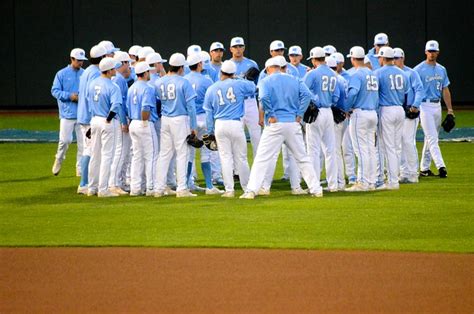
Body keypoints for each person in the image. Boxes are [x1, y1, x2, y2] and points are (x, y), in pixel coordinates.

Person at [240, 57, 322, 199]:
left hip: (275, 124)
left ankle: (251, 190)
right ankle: (316, 189)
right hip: (292, 123)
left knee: (262, 158)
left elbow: (264, 97)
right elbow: (307, 95)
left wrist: (271, 113)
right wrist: (299, 114)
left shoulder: (266, 81)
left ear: (267, 69)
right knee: (302, 158)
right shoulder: (294, 79)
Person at [203, 60, 255, 197]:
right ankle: (247, 188)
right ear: (233, 73)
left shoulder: (212, 88)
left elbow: (208, 113)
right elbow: (252, 86)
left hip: (220, 124)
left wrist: (210, 131)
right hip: (236, 123)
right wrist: (240, 78)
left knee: (225, 158)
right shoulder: (239, 83)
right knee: (241, 158)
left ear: (221, 72)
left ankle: (229, 190)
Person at [154, 53, 198, 198]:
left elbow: (158, 100)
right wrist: (193, 126)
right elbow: (191, 106)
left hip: (165, 118)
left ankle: (159, 188)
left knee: (164, 154)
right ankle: (182, 188)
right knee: (182, 153)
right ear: (180, 67)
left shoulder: (160, 82)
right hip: (180, 118)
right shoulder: (184, 82)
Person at [184, 53, 223, 195]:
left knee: (189, 154)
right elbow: (212, 103)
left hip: (189, 119)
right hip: (204, 118)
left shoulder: (184, 80)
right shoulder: (206, 81)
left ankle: (187, 184)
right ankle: (209, 186)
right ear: (199, 64)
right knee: (206, 153)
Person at [414, 40, 453, 178]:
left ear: (438, 52)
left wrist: (450, 110)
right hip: (424, 105)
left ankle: (424, 168)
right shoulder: (418, 70)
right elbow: (413, 89)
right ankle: (441, 166)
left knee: (429, 138)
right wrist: (414, 106)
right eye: (429, 51)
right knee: (432, 138)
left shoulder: (441, 69)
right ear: (425, 52)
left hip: (437, 105)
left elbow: (445, 89)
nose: (431, 53)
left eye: (434, 51)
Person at [304, 46, 340, 192]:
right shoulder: (333, 73)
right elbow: (336, 96)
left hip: (317, 112)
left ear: (313, 59)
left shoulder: (313, 73)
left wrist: (315, 100)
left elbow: (303, 91)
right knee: (330, 150)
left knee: (313, 150)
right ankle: (333, 185)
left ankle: (315, 185)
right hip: (328, 112)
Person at [344, 46, 380, 192]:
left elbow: (352, 94)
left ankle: (363, 182)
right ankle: (371, 181)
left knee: (361, 150)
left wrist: (346, 108)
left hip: (360, 114)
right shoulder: (372, 74)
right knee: (370, 149)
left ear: (353, 59)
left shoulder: (357, 75)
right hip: (372, 113)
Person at [87, 57, 124, 197]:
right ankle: (103, 189)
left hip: (95, 119)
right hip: (107, 121)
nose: (115, 70)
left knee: (95, 155)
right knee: (107, 155)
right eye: (113, 68)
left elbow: (88, 101)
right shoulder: (113, 86)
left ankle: (92, 188)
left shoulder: (92, 83)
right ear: (108, 71)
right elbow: (115, 106)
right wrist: (108, 119)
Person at [373, 47, 409, 190]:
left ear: (382, 58)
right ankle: (393, 179)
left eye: (379, 58)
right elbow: (406, 93)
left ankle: (389, 181)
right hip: (400, 109)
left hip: (386, 109)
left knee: (385, 147)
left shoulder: (378, 73)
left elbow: (375, 94)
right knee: (395, 146)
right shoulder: (403, 73)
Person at [51, 48, 87, 177]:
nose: (81, 63)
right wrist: (69, 96)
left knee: (83, 144)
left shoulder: (85, 73)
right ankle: (59, 159)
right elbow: (54, 91)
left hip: (82, 113)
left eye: (82, 61)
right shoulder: (61, 74)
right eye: (78, 60)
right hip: (67, 114)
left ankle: (80, 168)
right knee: (65, 140)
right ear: (72, 59)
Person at [76, 44, 107, 194]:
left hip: (83, 114)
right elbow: (92, 97)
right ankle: (84, 183)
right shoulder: (95, 73)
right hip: (89, 116)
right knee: (90, 149)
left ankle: (86, 182)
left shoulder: (87, 71)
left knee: (89, 149)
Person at [393, 47, 424, 183]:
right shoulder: (392, 74)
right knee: (398, 142)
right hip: (398, 111)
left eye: (397, 58)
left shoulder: (411, 73)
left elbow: (419, 89)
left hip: (410, 111)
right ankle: (404, 172)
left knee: (408, 141)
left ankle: (412, 173)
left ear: (403, 58)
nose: (395, 61)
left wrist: (415, 105)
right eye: (393, 58)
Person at [229, 37, 261, 158]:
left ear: (244, 47)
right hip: (236, 103)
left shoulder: (252, 64)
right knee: (237, 137)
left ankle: (259, 171)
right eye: (235, 47)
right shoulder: (228, 65)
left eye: (240, 46)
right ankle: (237, 170)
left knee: (256, 136)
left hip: (251, 101)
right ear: (231, 49)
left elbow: (258, 85)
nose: (238, 49)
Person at [127, 62, 156, 196]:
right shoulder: (147, 88)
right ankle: (150, 187)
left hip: (133, 122)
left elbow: (127, 107)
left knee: (137, 157)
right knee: (151, 156)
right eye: (148, 72)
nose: (149, 73)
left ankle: (135, 188)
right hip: (144, 123)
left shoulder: (131, 87)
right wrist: (145, 121)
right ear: (145, 73)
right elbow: (145, 108)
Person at [108, 51, 133, 195]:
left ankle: (120, 181)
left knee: (118, 152)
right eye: (127, 63)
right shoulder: (119, 80)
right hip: (118, 119)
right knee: (121, 152)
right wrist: (124, 121)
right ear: (122, 63)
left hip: (111, 119)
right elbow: (120, 104)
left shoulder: (113, 78)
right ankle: (114, 183)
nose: (129, 66)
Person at [327, 56, 348, 190]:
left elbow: (334, 100)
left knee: (334, 151)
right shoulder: (342, 78)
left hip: (335, 117)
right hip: (343, 116)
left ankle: (339, 182)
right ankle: (339, 181)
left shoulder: (333, 79)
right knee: (337, 150)